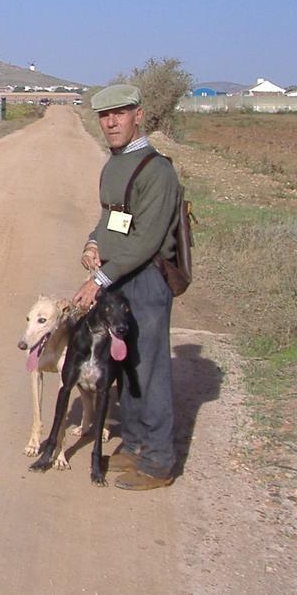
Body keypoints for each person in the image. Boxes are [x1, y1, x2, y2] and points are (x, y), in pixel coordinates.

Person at [73, 83, 180, 490]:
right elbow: (112, 218)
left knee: (150, 369)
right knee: (127, 365)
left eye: (120, 113)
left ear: (139, 114)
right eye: (104, 115)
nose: (111, 122)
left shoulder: (158, 170)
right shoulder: (115, 163)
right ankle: (134, 444)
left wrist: (97, 280)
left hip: (146, 280)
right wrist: (93, 241)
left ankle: (158, 461)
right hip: (120, 279)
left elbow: (146, 241)